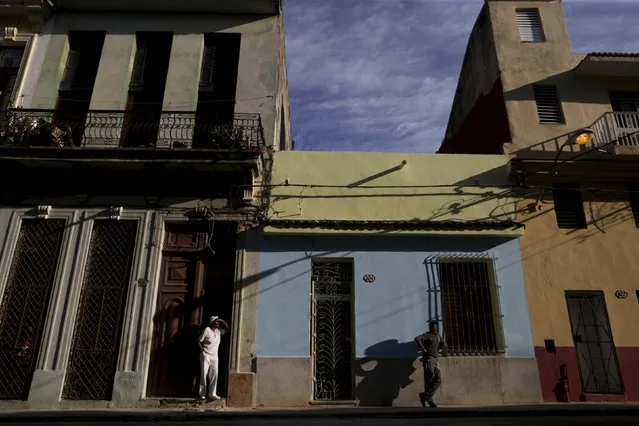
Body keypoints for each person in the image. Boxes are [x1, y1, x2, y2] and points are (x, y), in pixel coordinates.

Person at [414, 321, 446, 408]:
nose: (435, 329)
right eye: (434, 327)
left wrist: (440, 349)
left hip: (436, 359)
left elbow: (442, 344)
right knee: (429, 377)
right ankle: (429, 399)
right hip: (428, 359)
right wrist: (423, 349)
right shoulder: (427, 335)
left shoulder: (438, 336)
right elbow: (417, 339)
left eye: (437, 327)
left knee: (438, 380)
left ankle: (425, 395)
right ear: (431, 327)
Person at [198, 315, 228, 401]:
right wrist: (202, 351)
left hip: (215, 356)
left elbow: (227, 329)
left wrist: (222, 320)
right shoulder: (207, 330)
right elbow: (199, 341)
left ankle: (212, 394)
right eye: (216, 322)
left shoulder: (218, 332)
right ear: (212, 323)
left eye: (218, 322)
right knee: (204, 374)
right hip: (206, 354)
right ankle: (202, 394)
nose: (218, 324)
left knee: (214, 374)